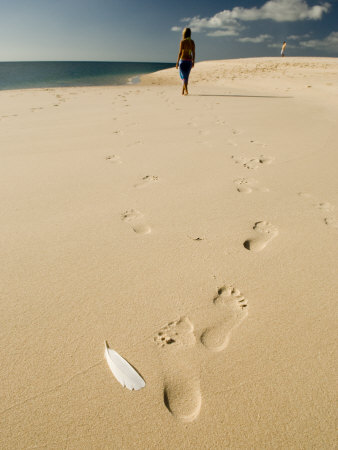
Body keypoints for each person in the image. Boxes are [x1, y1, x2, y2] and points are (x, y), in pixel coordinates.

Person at [176, 28, 195, 95]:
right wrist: (193, 62)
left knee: (183, 77)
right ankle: (182, 91)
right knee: (186, 77)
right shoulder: (192, 42)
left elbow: (180, 53)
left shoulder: (182, 41)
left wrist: (177, 62)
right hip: (189, 61)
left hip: (183, 60)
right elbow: (194, 53)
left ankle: (186, 90)